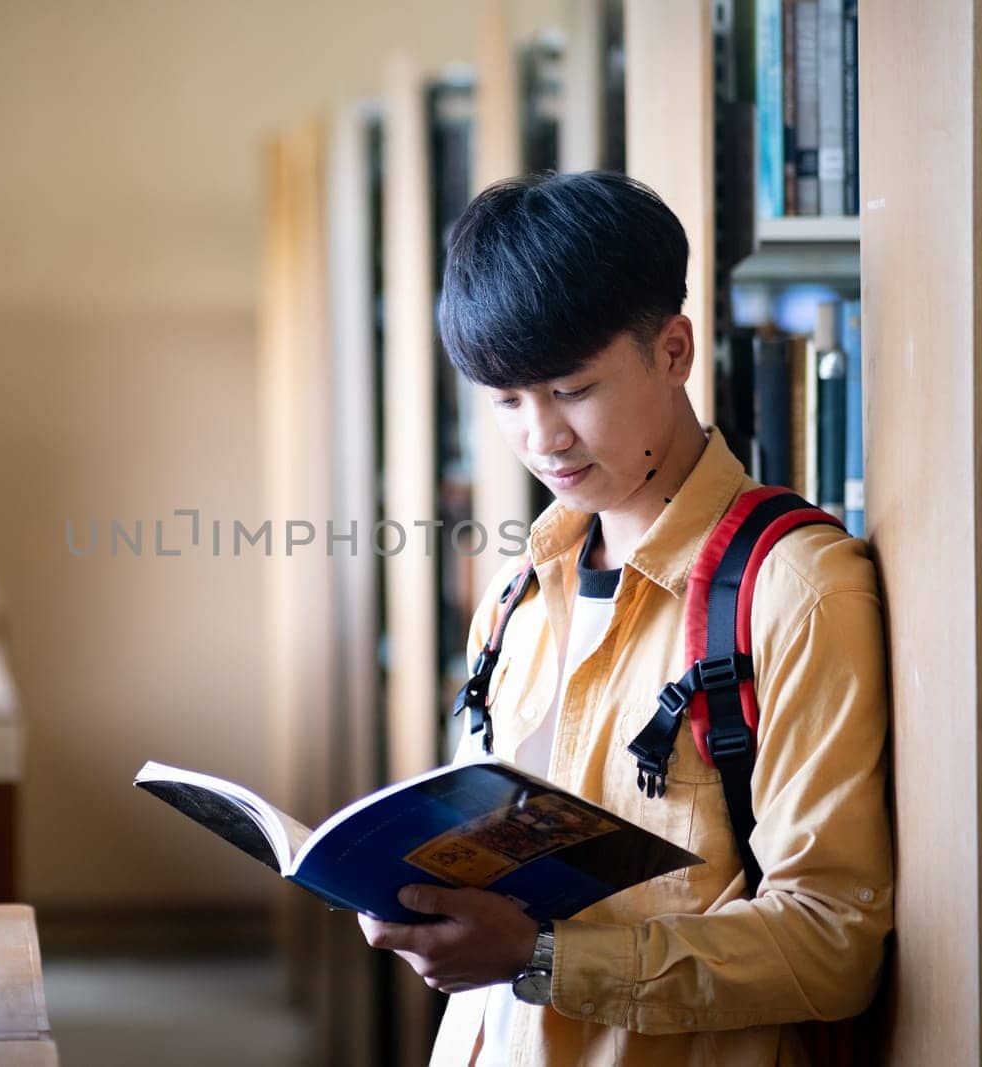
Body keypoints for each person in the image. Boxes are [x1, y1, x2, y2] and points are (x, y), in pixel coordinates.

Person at [357, 171, 892, 1066]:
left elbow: (833, 943)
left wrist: (540, 957)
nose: (542, 438)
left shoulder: (796, 590)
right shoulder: (513, 598)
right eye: (506, 400)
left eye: (571, 389)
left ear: (673, 351)